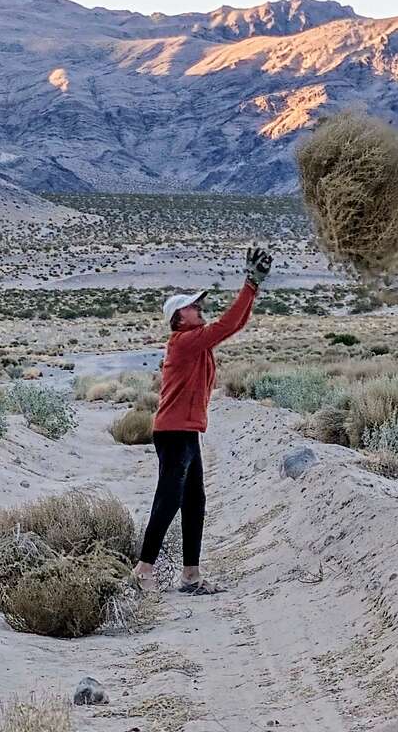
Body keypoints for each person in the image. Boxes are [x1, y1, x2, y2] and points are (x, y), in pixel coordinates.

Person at [133, 246, 273, 594]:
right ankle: (143, 570)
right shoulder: (185, 342)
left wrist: (253, 287)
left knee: (194, 502)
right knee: (168, 498)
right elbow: (227, 324)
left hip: (186, 433)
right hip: (173, 433)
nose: (199, 308)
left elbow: (234, 324)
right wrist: (250, 283)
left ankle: (190, 576)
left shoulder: (198, 343)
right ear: (179, 317)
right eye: (193, 306)